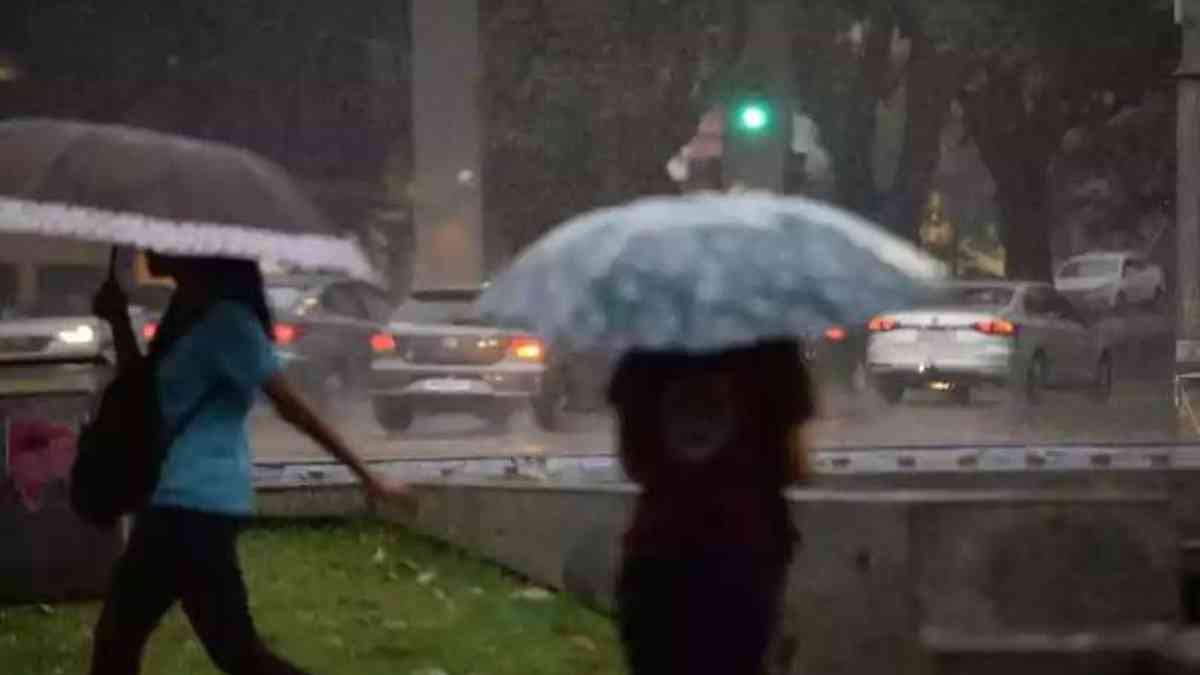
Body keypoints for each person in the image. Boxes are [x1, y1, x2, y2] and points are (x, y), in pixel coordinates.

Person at [87, 252, 412, 675]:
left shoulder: (227, 323)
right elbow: (143, 397)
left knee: (204, 650)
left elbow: (292, 407)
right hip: (174, 500)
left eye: (168, 242)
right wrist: (116, 320)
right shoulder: (187, 314)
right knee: (159, 645)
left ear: (201, 258)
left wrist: (367, 475)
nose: (151, 250)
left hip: (193, 504)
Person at [608, 338, 814, 675]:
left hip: (658, 555)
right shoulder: (771, 349)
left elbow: (633, 461)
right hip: (746, 555)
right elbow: (793, 465)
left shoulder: (645, 353)